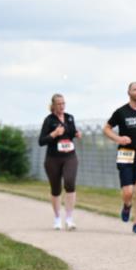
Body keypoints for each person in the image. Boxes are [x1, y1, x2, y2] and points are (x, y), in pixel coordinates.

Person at [104, 82, 136, 235]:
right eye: (135, 89)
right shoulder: (121, 112)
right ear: (129, 92)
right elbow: (106, 128)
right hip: (125, 152)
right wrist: (118, 139)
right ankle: (127, 205)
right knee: (128, 191)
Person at [38, 93, 81, 230]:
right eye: (59, 104)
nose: (62, 106)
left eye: (63, 103)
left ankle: (69, 218)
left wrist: (77, 134)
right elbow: (41, 141)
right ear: (53, 106)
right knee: (56, 189)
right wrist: (54, 134)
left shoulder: (69, 117)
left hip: (69, 156)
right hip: (53, 158)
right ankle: (57, 218)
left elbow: (72, 132)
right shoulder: (49, 120)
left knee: (69, 182)